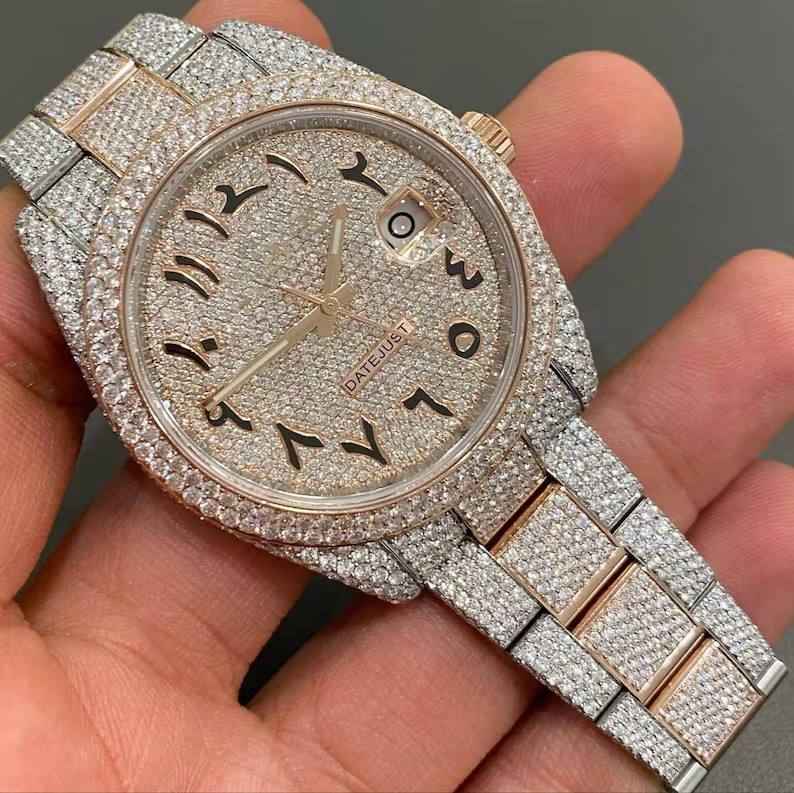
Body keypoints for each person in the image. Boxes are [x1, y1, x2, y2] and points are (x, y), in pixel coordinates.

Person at [0, 1, 792, 790]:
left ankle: (709, 695)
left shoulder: (238, 79)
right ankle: (704, 703)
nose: (326, 306)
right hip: (373, 492)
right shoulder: (71, 239)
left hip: (472, 405)